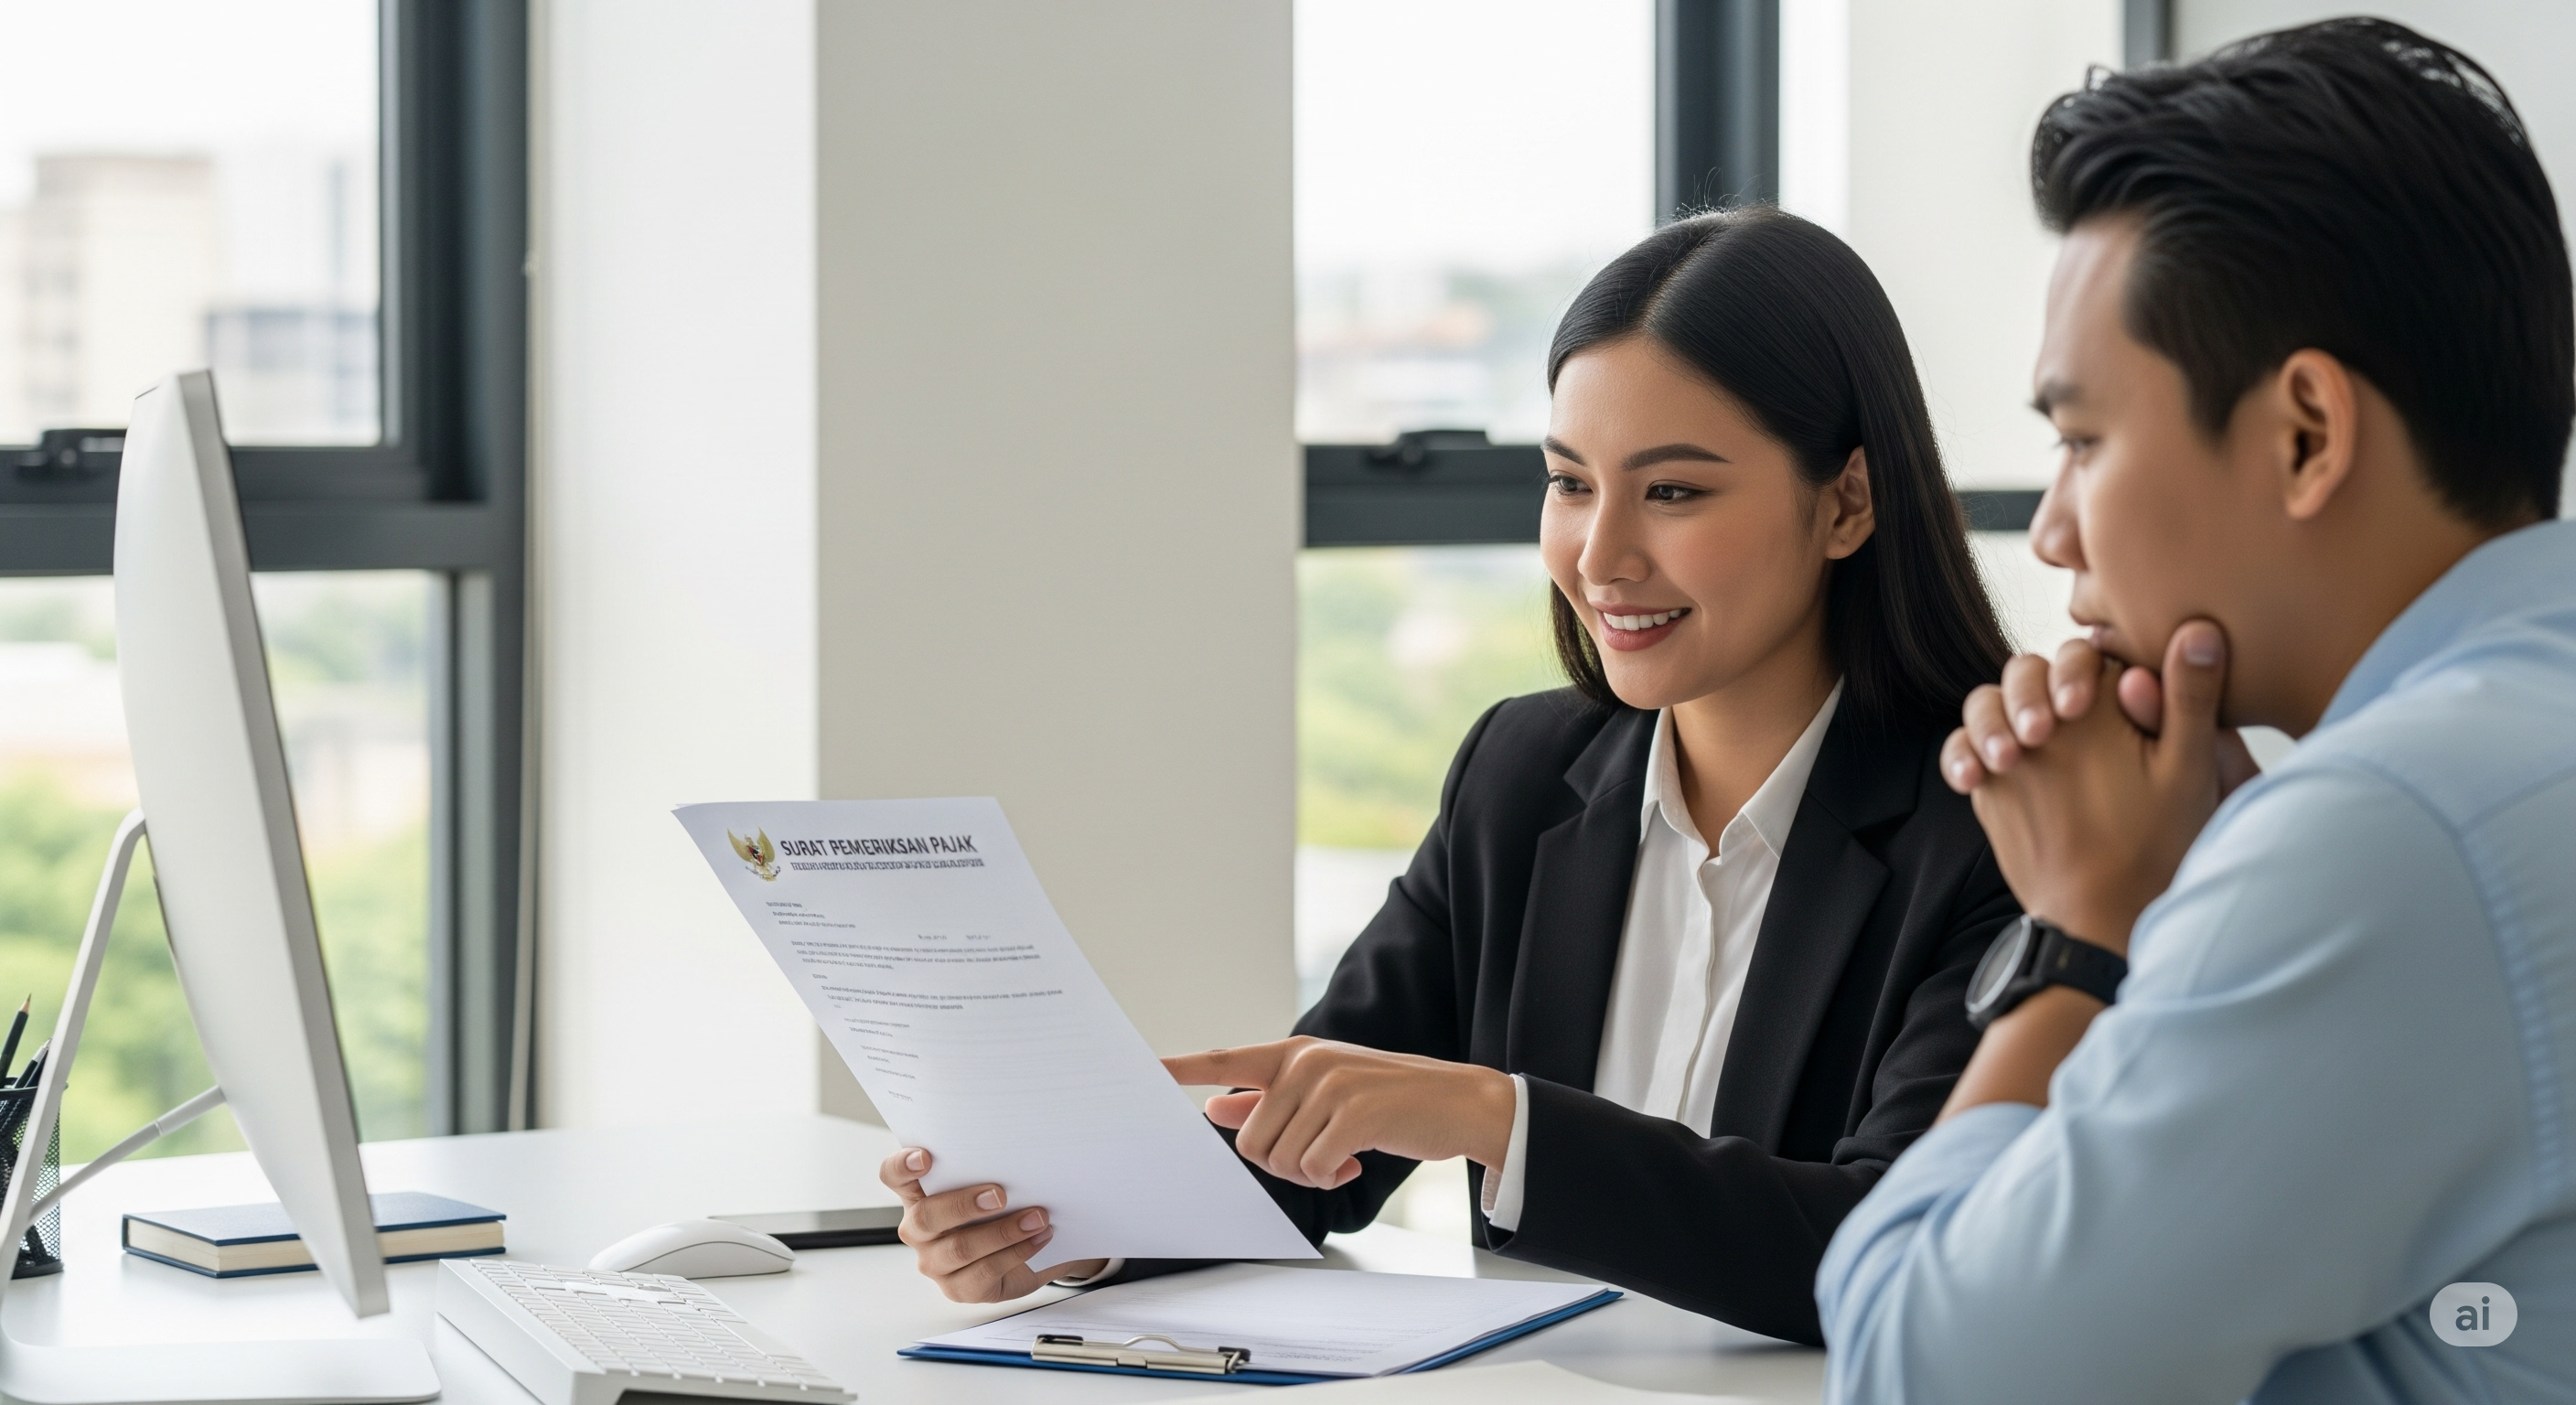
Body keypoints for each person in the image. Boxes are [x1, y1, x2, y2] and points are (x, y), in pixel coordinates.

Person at [883, 207, 2022, 1345]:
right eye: (1569, 483)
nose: (1599, 554)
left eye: (1671, 491)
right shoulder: (1523, 775)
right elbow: (1319, 1148)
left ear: (1846, 502)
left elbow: (1886, 1247)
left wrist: (1498, 1120)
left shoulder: (2005, 823)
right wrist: (1075, 1228)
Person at [1815, 18, 2576, 1402]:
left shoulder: (2392, 832)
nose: (2051, 534)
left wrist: (2082, 930)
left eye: (2084, 441)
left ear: (2304, 435)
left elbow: (1924, 1372)